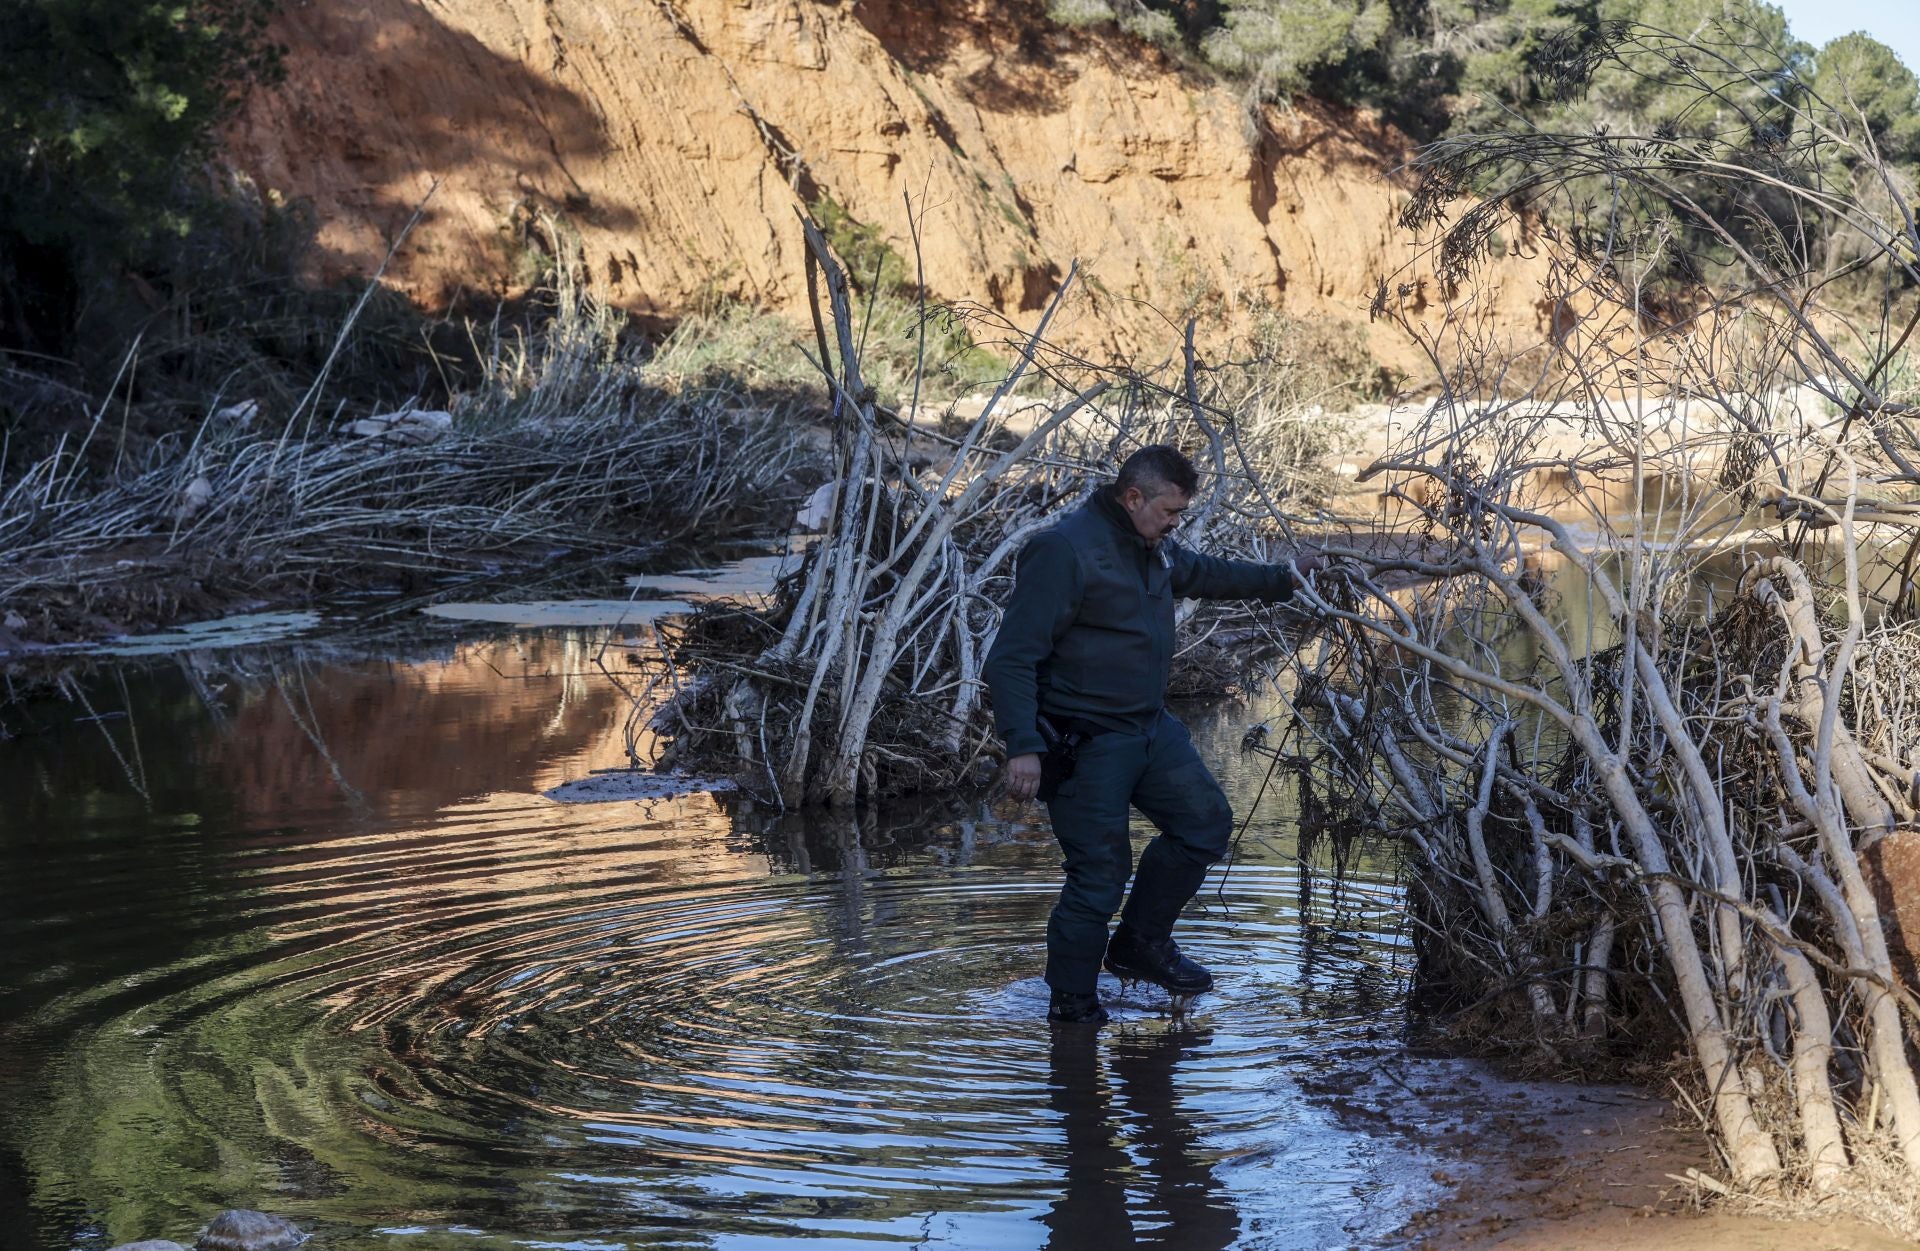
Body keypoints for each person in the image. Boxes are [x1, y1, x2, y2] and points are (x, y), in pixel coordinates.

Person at [983, 445, 1320, 1025]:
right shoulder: (1064, 550)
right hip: (1084, 743)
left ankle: (1140, 944)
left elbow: (1206, 573)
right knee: (1099, 875)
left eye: (1179, 514)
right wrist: (1023, 747)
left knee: (1205, 824)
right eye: (1169, 511)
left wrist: (1283, 579)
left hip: (1149, 729)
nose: (1174, 523)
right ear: (1133, 496)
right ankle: (1072, 1008)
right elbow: (1010, 658)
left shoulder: (1153, 547)